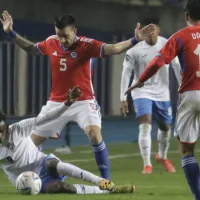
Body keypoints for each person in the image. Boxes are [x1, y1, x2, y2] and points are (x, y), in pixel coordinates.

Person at [0, 10, 155, 180]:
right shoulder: (52, 42)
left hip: (83, 101)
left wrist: (135, 40)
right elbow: (31, 49)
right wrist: (11, 32)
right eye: (59, 35)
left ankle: (106, 182)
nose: (62, 40)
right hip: (57, 103)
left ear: (74, 31)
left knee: (94, 134)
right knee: (30, 142)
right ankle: (31, 178)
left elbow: (114, 49)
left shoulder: (86, 45)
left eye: (65, 36)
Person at [125, 0, 200, 199]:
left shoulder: (179, 37)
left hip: (191, 94)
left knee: (186, 149)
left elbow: (158, 62)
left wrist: (140, 80)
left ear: (186, 17)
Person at [0, 86, 135, 194]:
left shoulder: (18, 129)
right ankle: (104, 192)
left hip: (41, 163)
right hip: (24, 181)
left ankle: (102, 182)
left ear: (6, 126)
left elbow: (47, 117)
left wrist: (68, 103)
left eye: (1, 130)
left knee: (52, 163)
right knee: (60, 187)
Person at [120, 19, 181, 174]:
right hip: (141, 91)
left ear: (158, 30)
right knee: (145, 124)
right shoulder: (134, 49)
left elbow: (176, 65)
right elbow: (126, 72)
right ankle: (147, 165)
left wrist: (182, 87)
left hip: (162, 93)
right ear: (142, 31)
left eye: (153, 29)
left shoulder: (167, 44)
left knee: (165, 127)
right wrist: (123, 97)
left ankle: (162, 156)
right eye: (147, 30)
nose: (151, 33)